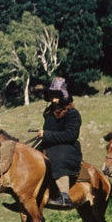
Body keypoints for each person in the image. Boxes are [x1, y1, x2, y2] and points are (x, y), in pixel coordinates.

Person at [37, 77, 80, 210]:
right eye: (52, 96)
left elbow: (71, 135)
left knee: (56, 156)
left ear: (63, 96)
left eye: (56, 96)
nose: (53, 100)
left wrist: (47, 134)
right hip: (49, 143)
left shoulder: (73, 114)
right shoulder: (49, 112)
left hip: (67, 148)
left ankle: (64, 197)